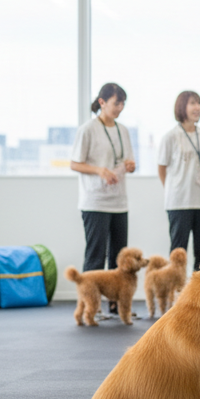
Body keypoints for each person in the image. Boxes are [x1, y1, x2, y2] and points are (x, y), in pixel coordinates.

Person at [69, 82, 136, 318]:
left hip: (119, 201)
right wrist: (99, 170)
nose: (120, 108)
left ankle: (116, 305)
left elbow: (128, 160)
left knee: (119, 255)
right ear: (102, 102)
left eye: (123, 104)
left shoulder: (123, 130)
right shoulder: (88, 129)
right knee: (96, 254)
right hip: (95, 202)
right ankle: (91, 307)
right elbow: (74, 163)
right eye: (117, 103)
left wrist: (130, 165)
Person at [157, 90, 200, 271]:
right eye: (192, 103)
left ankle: (199, 288)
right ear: (182, 107)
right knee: (178, 252)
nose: (197, 107)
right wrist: (174, 189)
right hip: (178, 203)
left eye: (199, 103)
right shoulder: (170, 136)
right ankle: (176, 288)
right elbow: (162, 168)